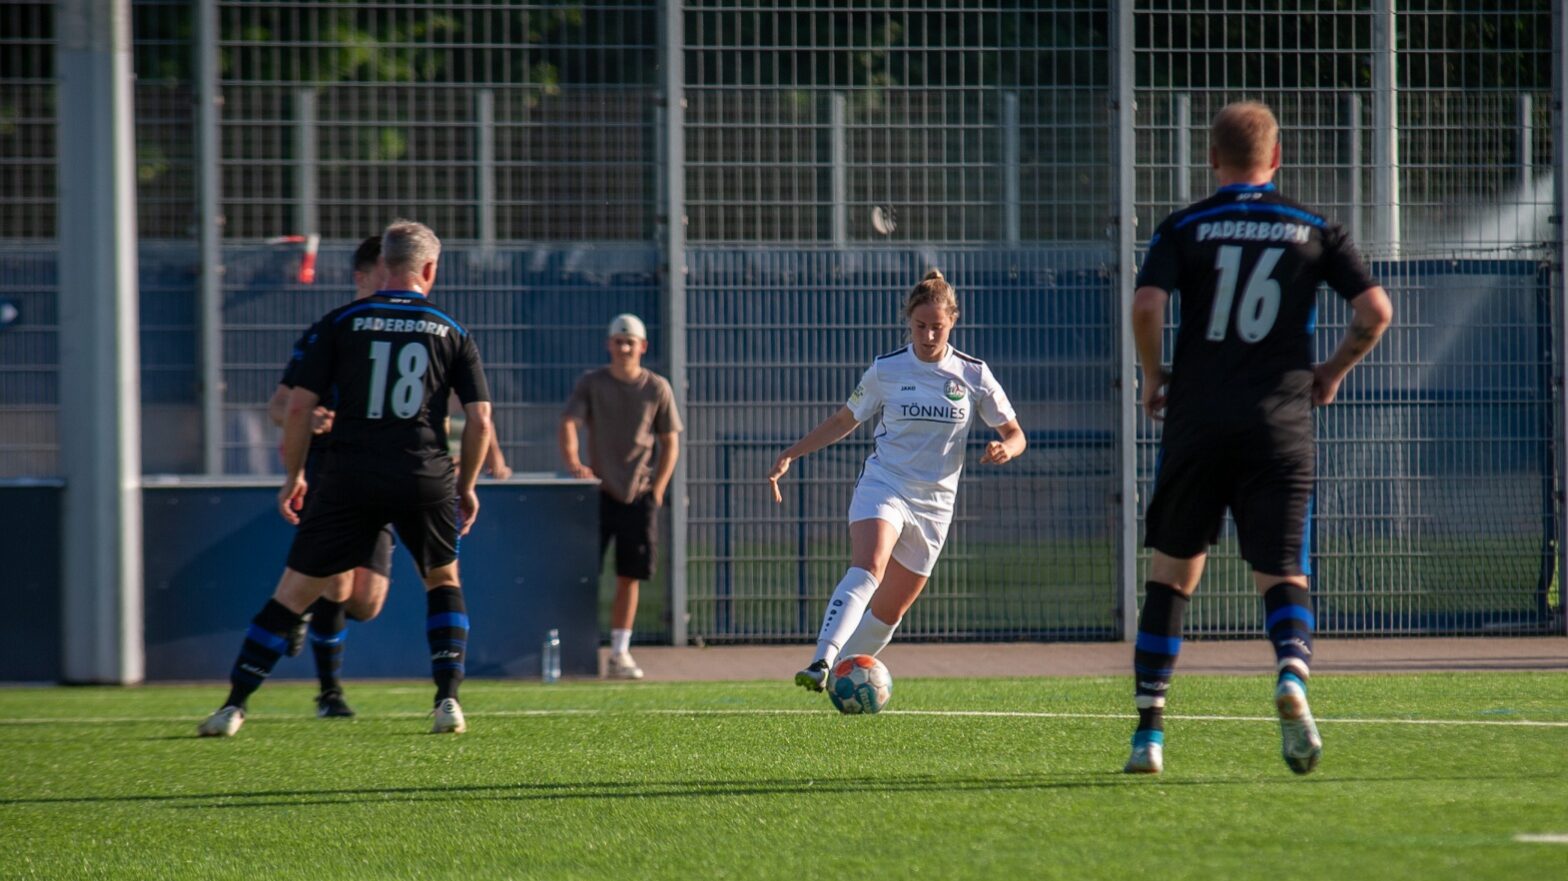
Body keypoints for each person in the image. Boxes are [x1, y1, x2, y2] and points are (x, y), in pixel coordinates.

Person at [1125, 102, 1392, 775]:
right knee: (1281, 569)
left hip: (1197, 419)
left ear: (1212, 161)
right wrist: (1330, 371)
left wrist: (1155, 375)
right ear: (1277, 160)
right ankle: (1292, 676)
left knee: (1173, 573)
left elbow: (1147, 304)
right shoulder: (1312, 227)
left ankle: (1149, 734)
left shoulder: (1186, 225)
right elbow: (1374, 311)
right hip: (1279, 423)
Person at [199, 219, 494, 737]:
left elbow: (296, 408)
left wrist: (293, 475)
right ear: (429, 269)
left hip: (348, 474)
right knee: (442, 581)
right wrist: (467, 485)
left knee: (293, 594)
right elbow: (481, 420)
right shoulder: (452, 330)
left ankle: (233, 707)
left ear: (384, 265)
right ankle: (447, 700)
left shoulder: (339, 323)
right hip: (421, 473)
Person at [767, 269, 1026, 691]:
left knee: (890, 611)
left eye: (936, 328)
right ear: (909, 321)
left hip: (935, 505)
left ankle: (843, 679)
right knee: (870, 564)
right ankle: (821, 660)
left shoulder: (974, 374)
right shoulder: (886, 369)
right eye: (920, 326)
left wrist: (1006, 448)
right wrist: (791, 454)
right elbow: (843, 420)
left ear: (953, 322)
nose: (927, 336)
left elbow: (1015, 434)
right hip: (885, 485)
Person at [264, 235, 395, 719]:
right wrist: (309, 417)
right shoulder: (332, 331)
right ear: (362, 277)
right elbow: (279, 406)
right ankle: (330, 694)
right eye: (387, 272)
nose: (397, 281)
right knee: (336, 584)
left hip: (384, 476)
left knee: (365, 602)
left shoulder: (409, 331)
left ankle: (298, 603)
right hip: (333, 473)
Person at [559, 313, 683, 680]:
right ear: (608, 345)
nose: (624, 347)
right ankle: (573, 652)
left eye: (631, 342)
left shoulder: (657, 387)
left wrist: (658, 488)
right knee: (585, 575)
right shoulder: (591, 383)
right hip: (597, 493)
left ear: (643, 347)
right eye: (618, 341)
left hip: (639, 494)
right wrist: (575, 464)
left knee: (630, 576)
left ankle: (619, 653)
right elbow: (568, 422)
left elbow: (670, 442)